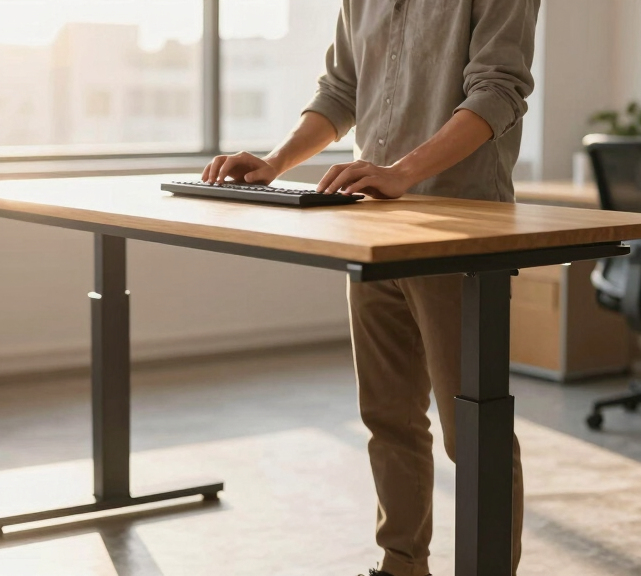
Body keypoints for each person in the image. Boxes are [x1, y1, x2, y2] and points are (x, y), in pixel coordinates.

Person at [201, 1, 539, 574]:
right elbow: (340, 91)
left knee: (472, 431)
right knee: (388, 412)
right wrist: (276, 162)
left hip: (458, 226)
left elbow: (499, 90)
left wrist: (404, 171)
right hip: (374, 222)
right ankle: (401, 566)